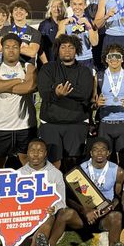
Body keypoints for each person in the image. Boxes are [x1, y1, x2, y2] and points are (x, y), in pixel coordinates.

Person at [38, 138, 124, 246]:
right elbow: (67, 198)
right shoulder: (79, 171)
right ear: (91, 153)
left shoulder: (118, 171)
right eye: (95, 150)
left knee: (117, 216)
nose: (99, 153)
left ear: (108, 153)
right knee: (64, 212)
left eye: (103, 150)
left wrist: (108, 208)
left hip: (103, 217)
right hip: (81, 218)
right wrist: (83, 210)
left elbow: (117, 197)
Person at [37, 34, 94, 170]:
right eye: (63, 47)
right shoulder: (47, 69)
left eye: (71, 47)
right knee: (52, 163)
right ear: (57, 50)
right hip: (51, 123)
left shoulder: (85, 71)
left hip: (76, 123)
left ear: (77, 50)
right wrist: (56, 93)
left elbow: (85, 94)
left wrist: (59, 91)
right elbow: (44, 92)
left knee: (73, 163)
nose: (67, 50)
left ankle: (70, 191)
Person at [0, 34, 37, 168]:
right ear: (2, 49)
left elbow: (29, 87)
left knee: (27, 162)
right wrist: (17, 81)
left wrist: (1, 85)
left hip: (25, 125)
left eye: (15, 47)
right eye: (7, 47)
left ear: (20, 49)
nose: (11, 50)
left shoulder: (28, 67)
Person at [94, 44, 124, 173]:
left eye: (117, 56)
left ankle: (123, 190)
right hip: (105, 123)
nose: (114, 60)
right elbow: (93, 101)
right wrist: (97, 103)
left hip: (123, 124)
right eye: (111, 56)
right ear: (106, 59)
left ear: (122, 59)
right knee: (103, 160)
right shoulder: (99, 76)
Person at [57, 0, 99, 70]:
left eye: (80, 4)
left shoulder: (91, 22)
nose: (77, 7)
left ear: (85, 5)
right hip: (70, 59)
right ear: (71, 5)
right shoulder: (64, 22)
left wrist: (87, 24)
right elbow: (57, 42)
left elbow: (95, 43)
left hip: (86, 60)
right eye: (75, 4)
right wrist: (64, 25)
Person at [0, 0, 42, 65]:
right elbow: (0, 47)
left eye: (21, 9)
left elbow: (32, 52)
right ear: (12, 14)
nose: (18, 12)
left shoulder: (35, 32)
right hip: (7, 69)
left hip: (26, 69)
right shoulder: (5, 29)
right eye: (15, 10)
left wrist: (8, 47)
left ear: (26, 13)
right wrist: (23, 47)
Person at [39, 0, 68, 64]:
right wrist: (46, 64)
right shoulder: (44, 25)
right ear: (50, 9)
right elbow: (40, 48)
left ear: (63, 8)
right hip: (49, 62)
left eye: (59, 6)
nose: (57, 9)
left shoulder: (68, 22)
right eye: (54, 6)